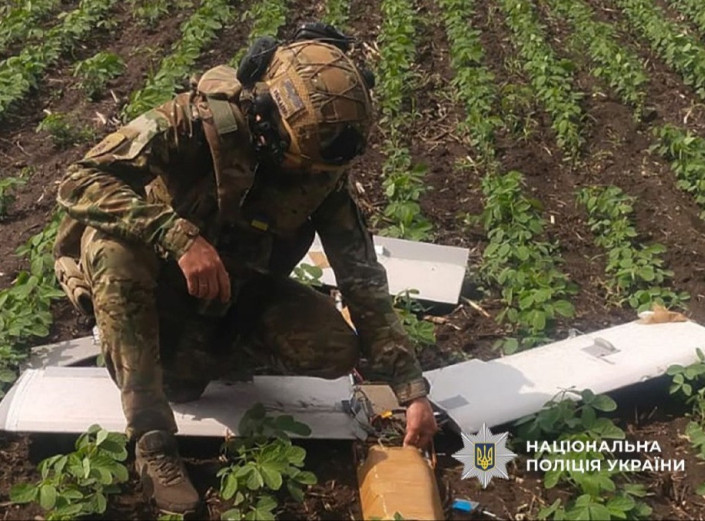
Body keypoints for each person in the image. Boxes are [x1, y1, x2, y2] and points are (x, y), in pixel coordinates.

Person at [52, 23, 437, 514]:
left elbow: (360, 275)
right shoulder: (192, 122)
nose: (308, 175)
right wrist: (177, 235)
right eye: (301, 161)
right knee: (114, 251)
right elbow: (81, 179)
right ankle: (152, 439)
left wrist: (411, 390)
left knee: (334, 347)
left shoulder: (320, 173)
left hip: (233, 293)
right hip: (159, 278)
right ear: (269, 120)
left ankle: (187, 363)